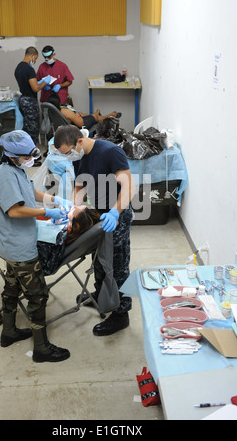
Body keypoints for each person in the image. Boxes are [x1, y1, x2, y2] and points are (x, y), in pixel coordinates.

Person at [0, 129, 74, 363]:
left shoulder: (15, 169)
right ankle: (42, 348)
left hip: (10, 244)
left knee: (12, 288)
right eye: (27, 156)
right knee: (37, 297)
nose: (31, 159)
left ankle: (8, 332)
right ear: (11, 154)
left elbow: (28, 191)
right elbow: (15, 210)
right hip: (19, 247)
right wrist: (47, 211)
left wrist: (54, 198)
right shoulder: (4, 176)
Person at [53, 125, 136, 336]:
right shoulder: (79, 156)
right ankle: (101, 296)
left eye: (68, 152)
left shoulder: (110, 152)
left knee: (117, 263)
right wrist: (72, 208)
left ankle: (121, 313)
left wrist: (115, 213)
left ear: (79, 141)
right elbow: (80, 185)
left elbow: (129, 187)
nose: (68, 157)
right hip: (98, 213)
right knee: (98, 257)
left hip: (116, 215)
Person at [14, 46, 51, 152]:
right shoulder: (29, 69)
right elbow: (35, 88)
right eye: (35, 59)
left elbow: (27, 84)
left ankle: (25, 153)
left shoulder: (18, 68)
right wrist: (45, 82)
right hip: (30, 102)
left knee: (26, 128)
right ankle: (30, 155)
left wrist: (39, 82)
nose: (34, 61)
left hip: (23, 99)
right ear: (32, 55)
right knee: (33, 129)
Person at [47, 93, 121, 131]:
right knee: (96, 117)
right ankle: (109, 117)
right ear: (59, 103)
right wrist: (78, 116)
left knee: (83, 114)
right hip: (80, 126)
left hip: (72, 123)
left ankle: (98, 114)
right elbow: (81, 123)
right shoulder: (66, 112)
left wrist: (78, 114)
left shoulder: (52, 111)